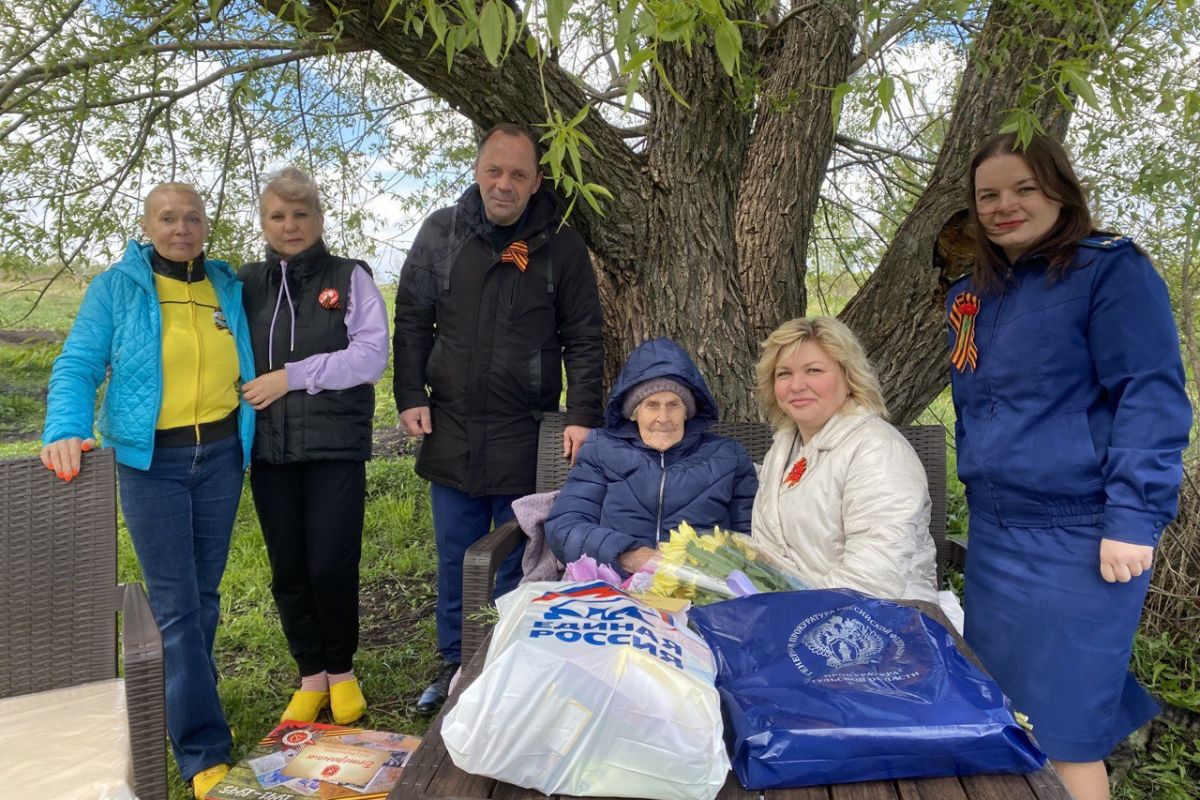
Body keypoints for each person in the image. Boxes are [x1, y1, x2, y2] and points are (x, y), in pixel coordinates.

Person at [949, 132, 1190, 800]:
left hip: (1082, 536)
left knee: (1065, 730)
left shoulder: (1109, 270)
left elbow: (1150, 394)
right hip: (996, 536)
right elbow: (975, 407)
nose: (1005, 206)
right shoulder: (970, 295)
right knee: (1005, 715)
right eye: (988, 195)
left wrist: (1134, 516)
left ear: (1059, 189)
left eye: (1023, 188)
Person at [40, 183, 255, 799]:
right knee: (176, 606)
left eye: (191, 216)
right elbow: (79, 364)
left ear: (206, 224)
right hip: (149, 462)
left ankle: (191, 692)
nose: (180, 227)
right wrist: (64, 428)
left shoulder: (225, 285)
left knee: (205, 595)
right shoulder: (117, 287)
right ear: (147, 224)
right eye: (167, 217)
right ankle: (201, 751)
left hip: (218, 455)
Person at [393, 122, 604, 714]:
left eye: (517, 174)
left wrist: (582, 414)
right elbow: (411, 320)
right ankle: (455, 664)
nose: (504, 184)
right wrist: (410, 393)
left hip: (526, 430)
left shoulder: (561, 246)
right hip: (450, 426)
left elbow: (584, 336)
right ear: (477, 171)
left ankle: (510, 667)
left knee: (520, 555)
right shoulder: (442, 233)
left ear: (537, 182)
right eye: (494, 170)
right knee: (457, 556)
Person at [238, 167, 389, 726]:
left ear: (319, 218)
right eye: (278, 215)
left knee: (330, 561)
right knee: (289, 566)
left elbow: (371, 356)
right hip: (268, 449)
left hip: (333, 447)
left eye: (301, 214)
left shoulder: (350, 278)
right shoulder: (244, 283)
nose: (290, 225)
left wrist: (290, 376)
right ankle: (310, 674)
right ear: (263, 223)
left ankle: (341, 669)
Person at [751, 317, 939, 603]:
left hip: (878, 623)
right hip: (793, 616)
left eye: (814, 370)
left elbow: (873, 576)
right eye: (784, 373)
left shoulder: (877, 450)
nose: (797, 385)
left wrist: (792, 616)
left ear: (848, 377)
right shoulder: (784, 447)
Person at [545, 338, 758, 573]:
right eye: (652, 405)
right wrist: (628, 556)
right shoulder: (601, 449)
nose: (663, 418)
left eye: (674, 404)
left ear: (688, 411)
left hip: (703, 587)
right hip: (616, 583)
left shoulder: (728, 456)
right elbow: (565, 526)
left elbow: (749, 538)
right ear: (633, 413)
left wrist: (706, 567)